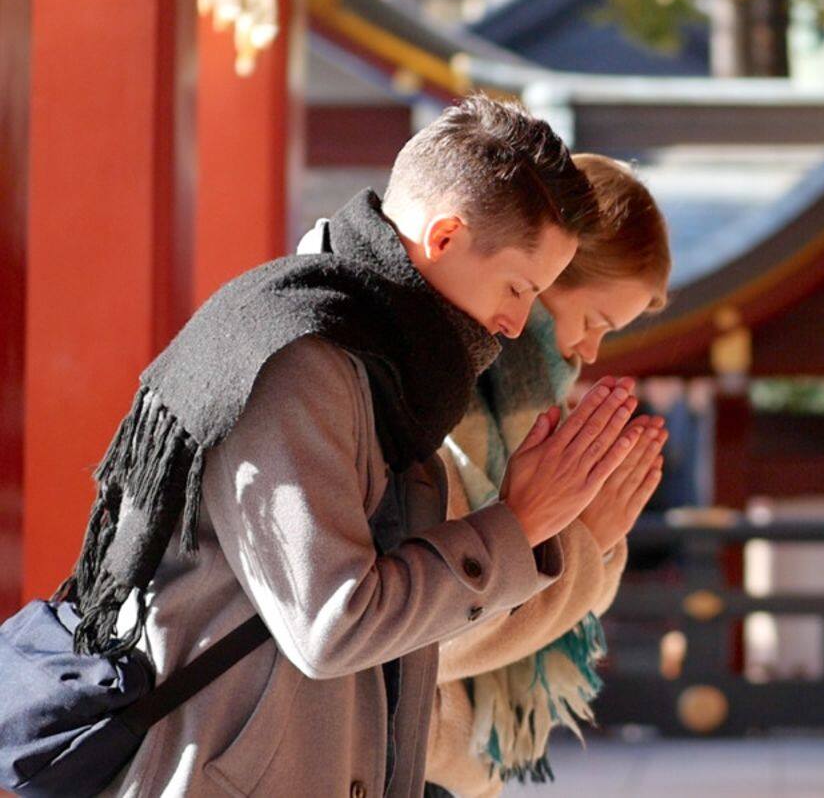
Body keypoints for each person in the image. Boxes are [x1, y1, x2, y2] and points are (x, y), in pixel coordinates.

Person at [70, 95, 648, 797]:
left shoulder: (391, 366)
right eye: (518, 287)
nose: (517, 322)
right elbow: (332, 626)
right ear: (443, 238)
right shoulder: (299, 358)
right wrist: (520, 524)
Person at [424, 155, 671, 796]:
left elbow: (572, 602)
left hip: (466, 770)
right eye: (593, 320)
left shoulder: (532, 416)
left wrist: (596, 542)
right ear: (542, 274)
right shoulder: (433, 412)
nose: (590, 351)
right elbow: (427, 641)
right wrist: (582, 544)